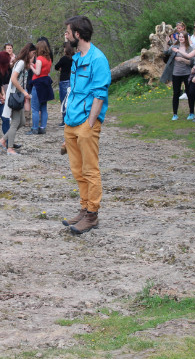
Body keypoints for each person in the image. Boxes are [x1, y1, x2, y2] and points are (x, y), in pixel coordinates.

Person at [61, 16, 111, 235]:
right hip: (71, 122)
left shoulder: (98, 59)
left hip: (86, 123)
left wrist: (90, 124)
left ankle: (92, 214)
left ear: (78, 34)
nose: (65, 35)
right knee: (77, 170)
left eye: (68, 32)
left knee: (90, 170)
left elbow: (100, 95)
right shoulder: (76, 58)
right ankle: (83, 208)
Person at [0, 43, 35, 155]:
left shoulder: (23, 63)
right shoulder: (20, 63)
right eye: (33, 53)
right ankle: (10, 148)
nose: (34, 55)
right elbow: (13, 79)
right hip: (15, 95)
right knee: (15, 122)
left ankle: (3, 140)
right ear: (28, 52)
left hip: (19, 95)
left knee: (22, 121)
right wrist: (24, 92)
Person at [28, 40, 55, 134]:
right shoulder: (49, 59)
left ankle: (35, 128)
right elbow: (45, 70)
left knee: (35, 108)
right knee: (43, 107)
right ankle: (43, 127)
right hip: (46, 83)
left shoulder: (39, 59)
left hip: (38, 84)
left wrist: (31, 66)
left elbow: (37, 72)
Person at [169, 31, 194, 121]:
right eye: (180, 36)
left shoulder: (189, 48)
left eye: (183, 37)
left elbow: (191, 62)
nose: (181, 38)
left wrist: (182, 59)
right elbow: (166, 54)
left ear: (186, 38)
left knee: (189, 93)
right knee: (176, 93)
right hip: (176, 73)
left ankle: (191, 113)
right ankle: (175, 114)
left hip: (187, 73)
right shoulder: (174, 47)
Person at [54, 43, 74, 127]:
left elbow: (56, 66)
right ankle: (71, 118)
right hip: (72, 80)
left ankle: (64, 120)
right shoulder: (75, 58)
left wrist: (61, 69)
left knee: (64, 100)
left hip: (64, 80)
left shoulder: (64, 58)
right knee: (71, 100)